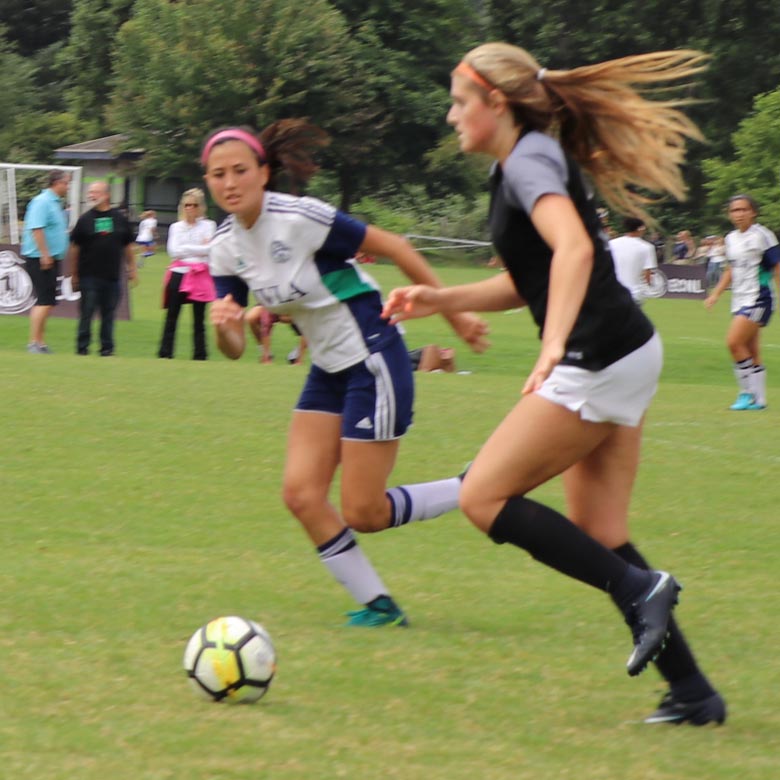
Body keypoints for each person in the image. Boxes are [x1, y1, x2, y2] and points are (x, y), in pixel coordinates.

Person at [382, 43, 725, 725]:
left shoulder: (529, 159)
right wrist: (443, 300)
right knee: (600, 529)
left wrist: (553, 345)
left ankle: (642, 589)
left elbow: (571, 248)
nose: (451, 115)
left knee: (483, 496)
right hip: (625, 350)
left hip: (596, 356)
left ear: (496, 104)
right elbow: (528, 281)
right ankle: (692, 691)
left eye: (459, 101)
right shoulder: (524, 161)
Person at [202, 121, 487, 627]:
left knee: (365, 512)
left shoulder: (300, 217)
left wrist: (456, 314)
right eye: (217, 174)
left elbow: (396, 246)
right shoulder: (224, 246)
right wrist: (225, 327)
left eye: (240, 171)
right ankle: (380, 606)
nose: (229, 183)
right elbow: (234, 348)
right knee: (301, 495)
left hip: (373, 358)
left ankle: (476, 487)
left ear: (264, 173)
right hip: (328, 369)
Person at [704, 195, 780, 410]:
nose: (738, 214)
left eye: (743, 209)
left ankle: (746, 393)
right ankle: (760, 399)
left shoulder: (763, 236)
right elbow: (731, 269)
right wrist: (715, 293)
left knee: (733, 342)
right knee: (751, 349)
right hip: (739, 299)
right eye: (734, 210)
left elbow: (777, 267)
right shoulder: (730, 238)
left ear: (753, 212)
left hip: (759, 298)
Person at [69, 181, 136, 356]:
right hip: (89, 276)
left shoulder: (120, 218)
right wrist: (74, 274)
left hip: (112, 277)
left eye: (95, 192)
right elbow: (75, 248)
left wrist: (132, 268)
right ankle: (82, 348)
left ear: (106, 195)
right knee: (87, 313)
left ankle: (107, 349)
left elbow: (127, 245)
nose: (91, 196)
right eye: (90, 192)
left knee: (109, 315)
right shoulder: (84, 219)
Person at [158, 189, 217, 360]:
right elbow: (173, 251)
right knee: (172, 316)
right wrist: (198, 249)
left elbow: (210, 249)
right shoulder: (176, 227)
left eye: (194, 205)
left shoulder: (208, 225)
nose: (190, 208)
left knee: (199, 319)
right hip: (179, 272)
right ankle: (165, 352)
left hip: (199, 275)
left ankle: (200, 354)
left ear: (201, 207)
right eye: (187, 205)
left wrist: (187, 249)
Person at [20, 169, 71, 354]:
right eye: (66, 183)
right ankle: (33, 342)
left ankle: (40, 342)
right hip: (40, 258)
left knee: (48, 301)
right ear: (56, 183)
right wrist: (44, 254)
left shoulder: (55, 203)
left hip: (51, 258)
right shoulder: (42, 202)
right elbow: (37, 229)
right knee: (43, 300)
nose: (68, 187)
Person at [608, 217, 658, 303]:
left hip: (613, 292)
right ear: (641, 228)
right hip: (634, 294)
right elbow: (647, 274)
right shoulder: (647, 247)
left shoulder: (611, 243)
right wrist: (649, 286)